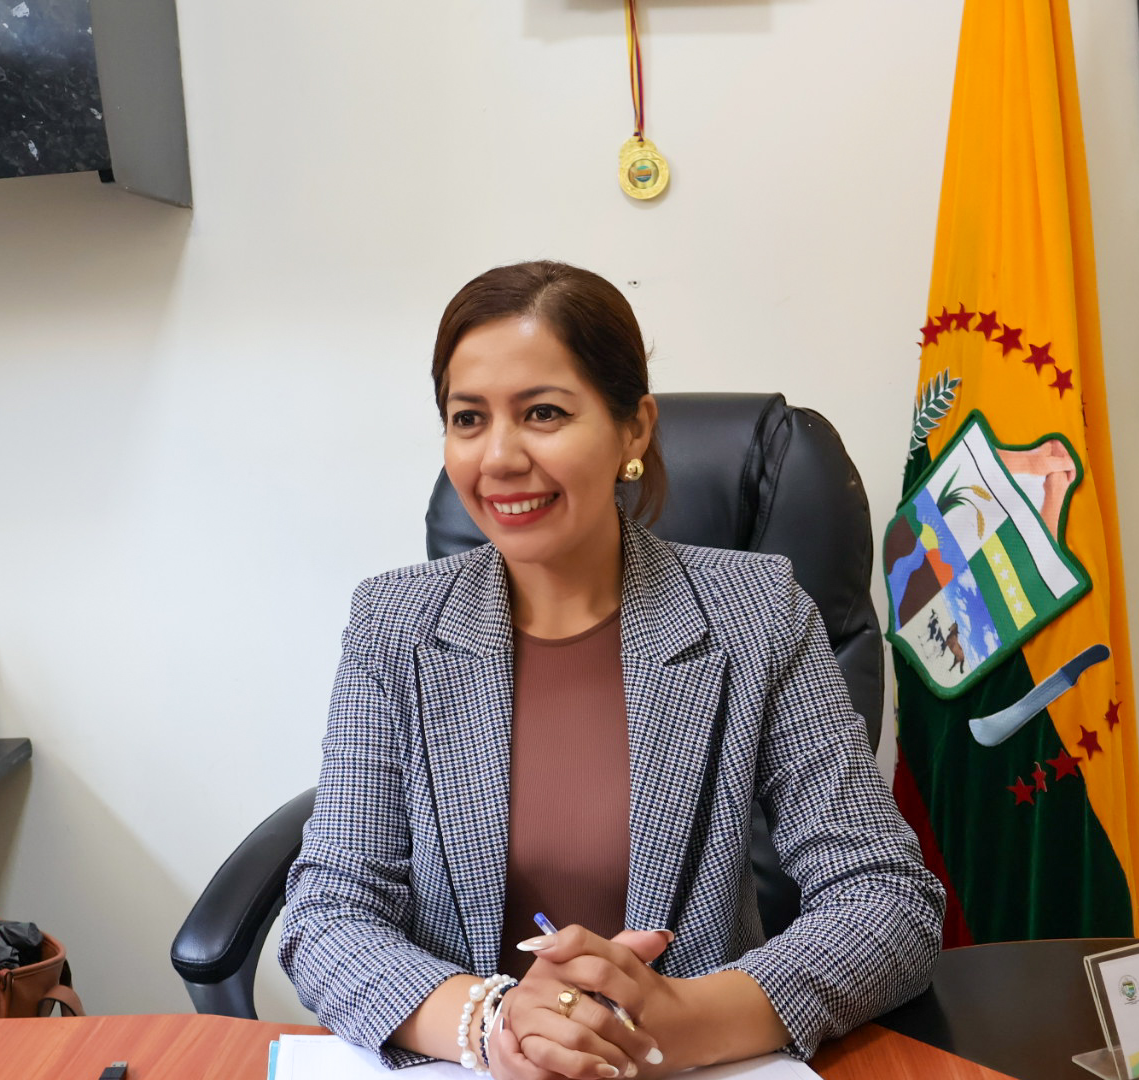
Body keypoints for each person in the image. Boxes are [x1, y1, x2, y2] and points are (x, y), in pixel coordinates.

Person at [278, 261, 944, 1079]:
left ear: (634, 429)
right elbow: (329, 911)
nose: (499, 457)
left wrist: (684, 1022)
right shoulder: (393, 626)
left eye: (544, 413)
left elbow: (887, 896)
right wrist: (493, 1023)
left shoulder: (758, 612)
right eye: (468, 418)